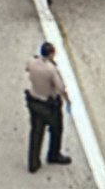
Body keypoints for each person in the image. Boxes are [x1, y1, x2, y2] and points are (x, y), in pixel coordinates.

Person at [24, 42, 72, 173]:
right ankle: (53, 154)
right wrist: (67, 100)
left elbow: (27, 68)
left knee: (36, 133)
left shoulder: (32, 62)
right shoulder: (51, 69)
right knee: (56, 129)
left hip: (34, 101)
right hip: (49, 104)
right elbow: (60, 88)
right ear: (51, 54)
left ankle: (33, 162)